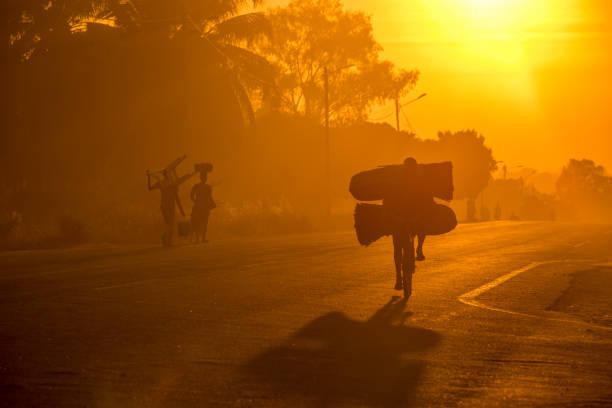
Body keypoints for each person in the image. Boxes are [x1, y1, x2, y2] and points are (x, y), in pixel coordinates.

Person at [148, 168, 193, 246]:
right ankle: (167, 239)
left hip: (165, 207)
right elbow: (177, 199)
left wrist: (148, 177)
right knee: (170, 224)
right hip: (167, 207)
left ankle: (167, 240)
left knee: (169, 224)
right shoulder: (171, 185)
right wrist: (181, 209)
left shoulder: (164, 184)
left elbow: (150, 188)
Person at [190, 163, 216, 243]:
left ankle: (202, 238)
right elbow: (191, 195)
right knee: (199, 222)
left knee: (204, 222)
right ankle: (198, 238)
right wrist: (195, 202)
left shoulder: (207, 187)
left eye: (205, 177)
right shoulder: (197, 186)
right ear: (200, 177)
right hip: (201, 206)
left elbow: (209, 197)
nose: (204, 178)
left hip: (204, 206)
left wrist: (212, 203)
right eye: (203, 177)